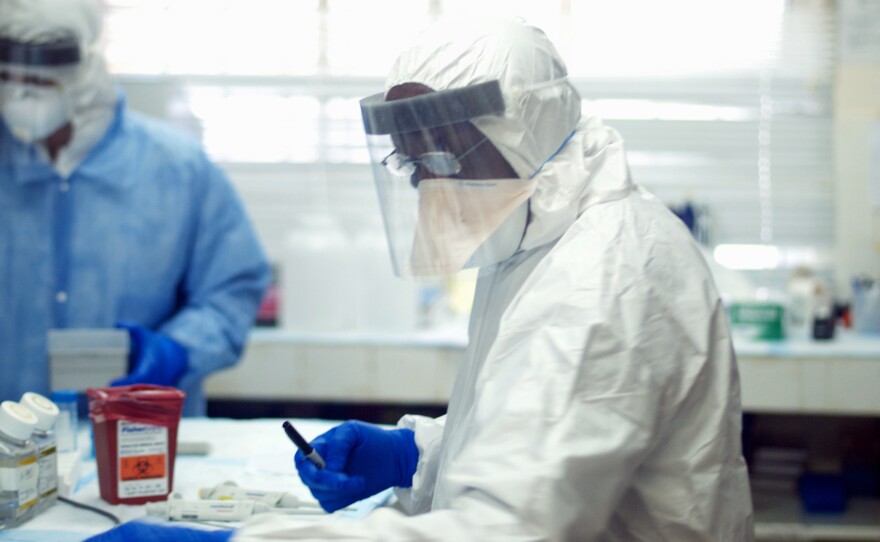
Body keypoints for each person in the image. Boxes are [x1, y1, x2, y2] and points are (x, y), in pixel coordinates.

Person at [84, 16, 753, 542]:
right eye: (412, 163)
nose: (431, 184)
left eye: (443, 153)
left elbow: (505, 529)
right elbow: (534, 432)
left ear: (524, 125)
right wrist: (417, 453)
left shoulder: (607, 275)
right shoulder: (539, 232)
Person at [0, 0, 270, 416]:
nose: (18, 93)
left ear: (85, 72)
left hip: (142, 441)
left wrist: (177, 350)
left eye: (38, 80)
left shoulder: (179, 169)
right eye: (5, 77)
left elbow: (230, 291)